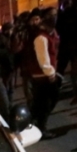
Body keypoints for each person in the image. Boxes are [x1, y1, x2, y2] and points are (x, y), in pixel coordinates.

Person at [22, 8, 62, 138]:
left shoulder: (50, 34)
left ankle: (32, 123)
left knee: (40, 103)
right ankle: (40, 127)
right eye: (51, 16)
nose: (54, 17)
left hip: (45, 74)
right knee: (46, 102)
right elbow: (43, 58)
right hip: (42, 75)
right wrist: (50, 73)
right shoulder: (41, 37)